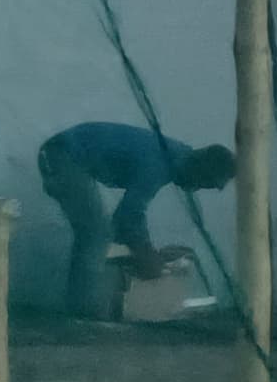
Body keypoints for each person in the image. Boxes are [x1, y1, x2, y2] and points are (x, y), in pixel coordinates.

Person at [36, 122, 234, 320]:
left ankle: (93, 303)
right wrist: (147, 256)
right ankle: (82, 315)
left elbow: (124, 220)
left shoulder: (177, 155)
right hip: (60, 156)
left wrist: (145, 252)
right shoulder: (159, 164)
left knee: (100, 233)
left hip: (63, 154)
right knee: (96, 233)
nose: (197, 188)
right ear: (198, 167)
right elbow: (129, 216)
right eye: (203, 182)